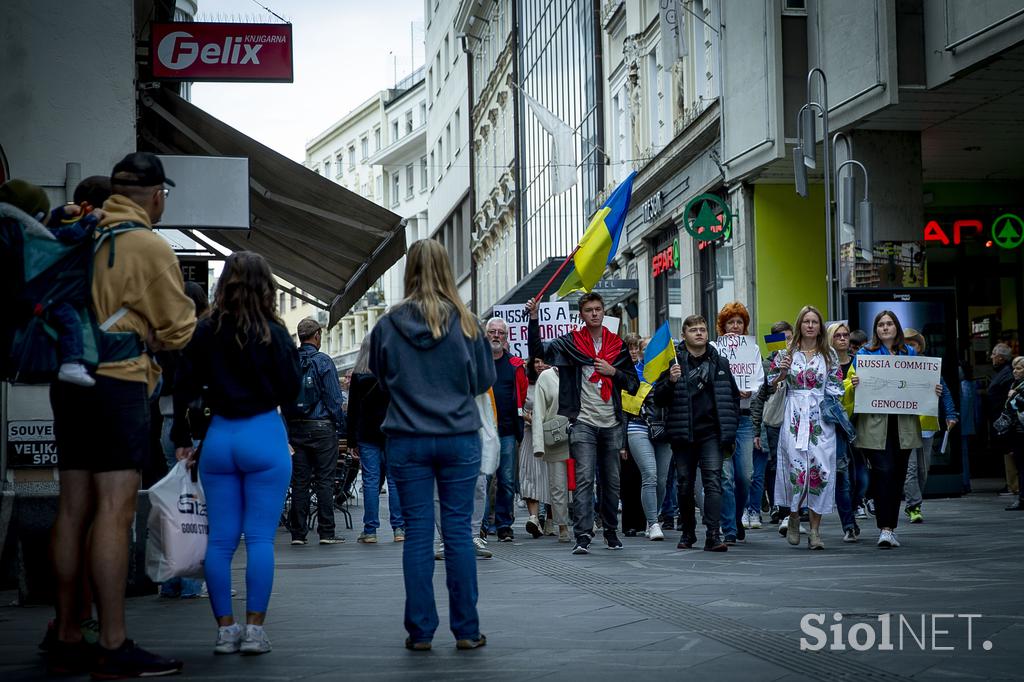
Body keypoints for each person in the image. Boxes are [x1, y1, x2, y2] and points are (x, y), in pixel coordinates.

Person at [48, 152, 195, 677]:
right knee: (114, 510)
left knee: (72, 508)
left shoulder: (78, 229)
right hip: (118, 385)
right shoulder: (149, 247)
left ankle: (66, 630)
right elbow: (180, 329)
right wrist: (148, 332)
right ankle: (113, 643)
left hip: (68, 384)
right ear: (157, 196)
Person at [369, 239, 494, 651]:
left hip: (407, 438)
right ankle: (467, 630)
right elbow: (483, 381)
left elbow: (381, 378)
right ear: (446, 269)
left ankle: (420, 632)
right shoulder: (468, 323)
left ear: (410, 271)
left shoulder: (388, 325)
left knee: (419, 533)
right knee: (457, 531)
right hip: (458, 437)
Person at [173, 251, 300, 655]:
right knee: (260, 538)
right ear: (267, 287)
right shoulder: (276, 333)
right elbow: (292, 391)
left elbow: (182, 386)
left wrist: (184, 435)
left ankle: (225, 629)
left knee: (221, 541)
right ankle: (255, 631)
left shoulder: (205, 330)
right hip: (263, 432)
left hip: (219, 438)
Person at [526, 293, 639, 554]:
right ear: (582, 315)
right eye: (589, 310)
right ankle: (583, 536)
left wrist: (613, 372)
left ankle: (611, 531)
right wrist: (534, 318)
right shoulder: (571, 344)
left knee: (611, 481)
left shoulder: (617, 346)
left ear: (603, 312)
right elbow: (539, 353)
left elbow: (632, 384)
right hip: (583, 422)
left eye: (598, 309)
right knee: (585, 479)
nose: (595, 314)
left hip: (611, 423)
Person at [849, 310, 943, 548]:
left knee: (898, 474)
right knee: (884, 472)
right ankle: (885, 528)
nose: (885, 328)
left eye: (889, 323)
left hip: (904, 425)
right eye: (881, 324)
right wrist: (854, 383)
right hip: (874, 425)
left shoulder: (909, 353)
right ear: (876, 329)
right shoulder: (864, 354)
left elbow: (922, 384)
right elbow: (848, 385)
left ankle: (889, 528)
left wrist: (934, 390)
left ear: (896, 327)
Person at [653, 314, 740, 552]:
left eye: (703, 329)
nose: (699, 333)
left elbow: (732, 396)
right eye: (694, 330)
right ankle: (688, 532)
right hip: (683, 433)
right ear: (684, 335)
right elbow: (658, 398)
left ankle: (713, 534)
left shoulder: (720, 362)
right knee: (684, 484)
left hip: (712, 432)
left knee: (713, 482)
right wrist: (670, 382)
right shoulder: (673, 362)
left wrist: (728, 427)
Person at [767, 306, 843, 551]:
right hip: (794, 415)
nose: (810, 325)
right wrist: (782, 372)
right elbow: (769, 384)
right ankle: (792, 514)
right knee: (795, 467)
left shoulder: (829, 354)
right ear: (799, 324)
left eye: (815, 322)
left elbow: (836, 387)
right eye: (806, 321)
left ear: (820, 326)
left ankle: (815, 530)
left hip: (820, 418)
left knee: (820, 470)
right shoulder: (786, 352)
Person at [157, 281, 209, 599]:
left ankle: (170, 579)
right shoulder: (198, 337)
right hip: (192, 428)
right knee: (198, 508)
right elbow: (188, 388)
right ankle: (191, 580)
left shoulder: (163, 334)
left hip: (165, 426)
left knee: (173, 507)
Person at [284, 317, 347, 545]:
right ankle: (326, 532)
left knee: (299, 481)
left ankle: (298, 534)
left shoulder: (289, 361)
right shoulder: (324, 362)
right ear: (317, 335)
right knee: (324, 480)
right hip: (322, 429)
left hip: (296, 428)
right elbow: (333, 399)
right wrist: (339, 425)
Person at [715, 302, 763, 544]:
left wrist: (749, 392)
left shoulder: (752, 349)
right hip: (721, 420)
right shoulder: (715, 349)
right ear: (722, 326)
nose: (735, 326)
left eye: (739, 322)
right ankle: (729, 528)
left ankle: (736, 516)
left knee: (745, 475)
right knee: (726, 477)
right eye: (730, 322)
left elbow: (759, 380)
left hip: (743, 419)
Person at [348, 336, 405, 543]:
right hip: (393, 433)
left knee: (371, 482)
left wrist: (352, 442)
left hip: (367, 435)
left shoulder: (358, 376)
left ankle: (370, 530)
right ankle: (399, 528)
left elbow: (352, 410)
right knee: (394, 480)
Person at [901, 329, 958, 524]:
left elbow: (946, 392)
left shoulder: (930, 367)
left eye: (913, 343)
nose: (910, 347)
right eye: (906, 343)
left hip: (926, 423)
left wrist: (951, 414)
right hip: (905, 425)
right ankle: (913, 505)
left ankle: (915, 502)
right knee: (911, 468)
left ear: (919, 346)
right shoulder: (896, 365)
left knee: (923, 468)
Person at [623, 335, 673, 541]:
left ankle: (651, 518)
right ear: (642, 353)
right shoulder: (633, 372)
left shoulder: (669, 373)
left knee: (661, 480)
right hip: (638, 427)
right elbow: (625, 408)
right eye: (646, 349)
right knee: (650, 475)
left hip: (664, 430)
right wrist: (621, 443)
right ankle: (653, 523)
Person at [482, 317, 528, 541]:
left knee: (507, 481)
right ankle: (481, 525)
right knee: (484, 480)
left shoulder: (515, 365)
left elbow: (522, 393)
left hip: (508, 432)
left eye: (500, 332)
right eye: (492, 331)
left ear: (506, 337)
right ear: (486, 334)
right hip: (483, 432)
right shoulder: (477, 362)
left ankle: (503, 525)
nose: (496, 335)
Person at [752, 320, 793, 532]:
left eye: (789, 338)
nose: (786, 343)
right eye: (781, 340)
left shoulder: (801, 359)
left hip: (796, 417)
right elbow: (762, 396)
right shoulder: (767, 363)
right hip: (775, 418)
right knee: (775, 463)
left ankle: (793, 505)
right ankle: (778, 503)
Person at [826, 322, 861, 543]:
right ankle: (848, 523)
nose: (842, 338)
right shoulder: (825, 364)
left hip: (859, 424)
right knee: (842, 476)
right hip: (836, 426)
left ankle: (856, 508)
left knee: (862, 480)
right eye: (837, 335)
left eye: (845, 335)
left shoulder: (860, 362)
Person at [531, 363, 572, 542]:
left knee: (585, 481)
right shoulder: (546, 377)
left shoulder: (580, 371)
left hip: (581, 432)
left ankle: (585, 523)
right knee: (558, 484)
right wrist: (538, 444)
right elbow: (538, 412)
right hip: (555, 437)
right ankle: (562, 526)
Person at [519, 355, 552, 538]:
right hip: (529, 435)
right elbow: (518, 405)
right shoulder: (525, 382)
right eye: (536, 362)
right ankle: (533, 518)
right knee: (530, 475)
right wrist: (526, 417)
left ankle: (550, 520)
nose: (540, 365)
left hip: (551, 437)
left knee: (551, 477)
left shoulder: (555, 380)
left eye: (543, 361)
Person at [989, 343, 1018, 496]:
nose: (991, 357)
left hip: (1005, 419)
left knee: (1010, 450)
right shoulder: (1003, 372)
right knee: (1007, 450)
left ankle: (1013, 484)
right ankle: (1011, 483)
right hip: (1001, 419)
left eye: (993, 354)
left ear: (1000, 358)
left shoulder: (1007, 374)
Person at [1002, 357, 1024, 510]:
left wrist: (1015, 396)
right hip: (1016, 429)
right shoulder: (1015, 384)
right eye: (1014, 368)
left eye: (1019, 368)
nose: (1015, 371)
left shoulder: (1019, 387)